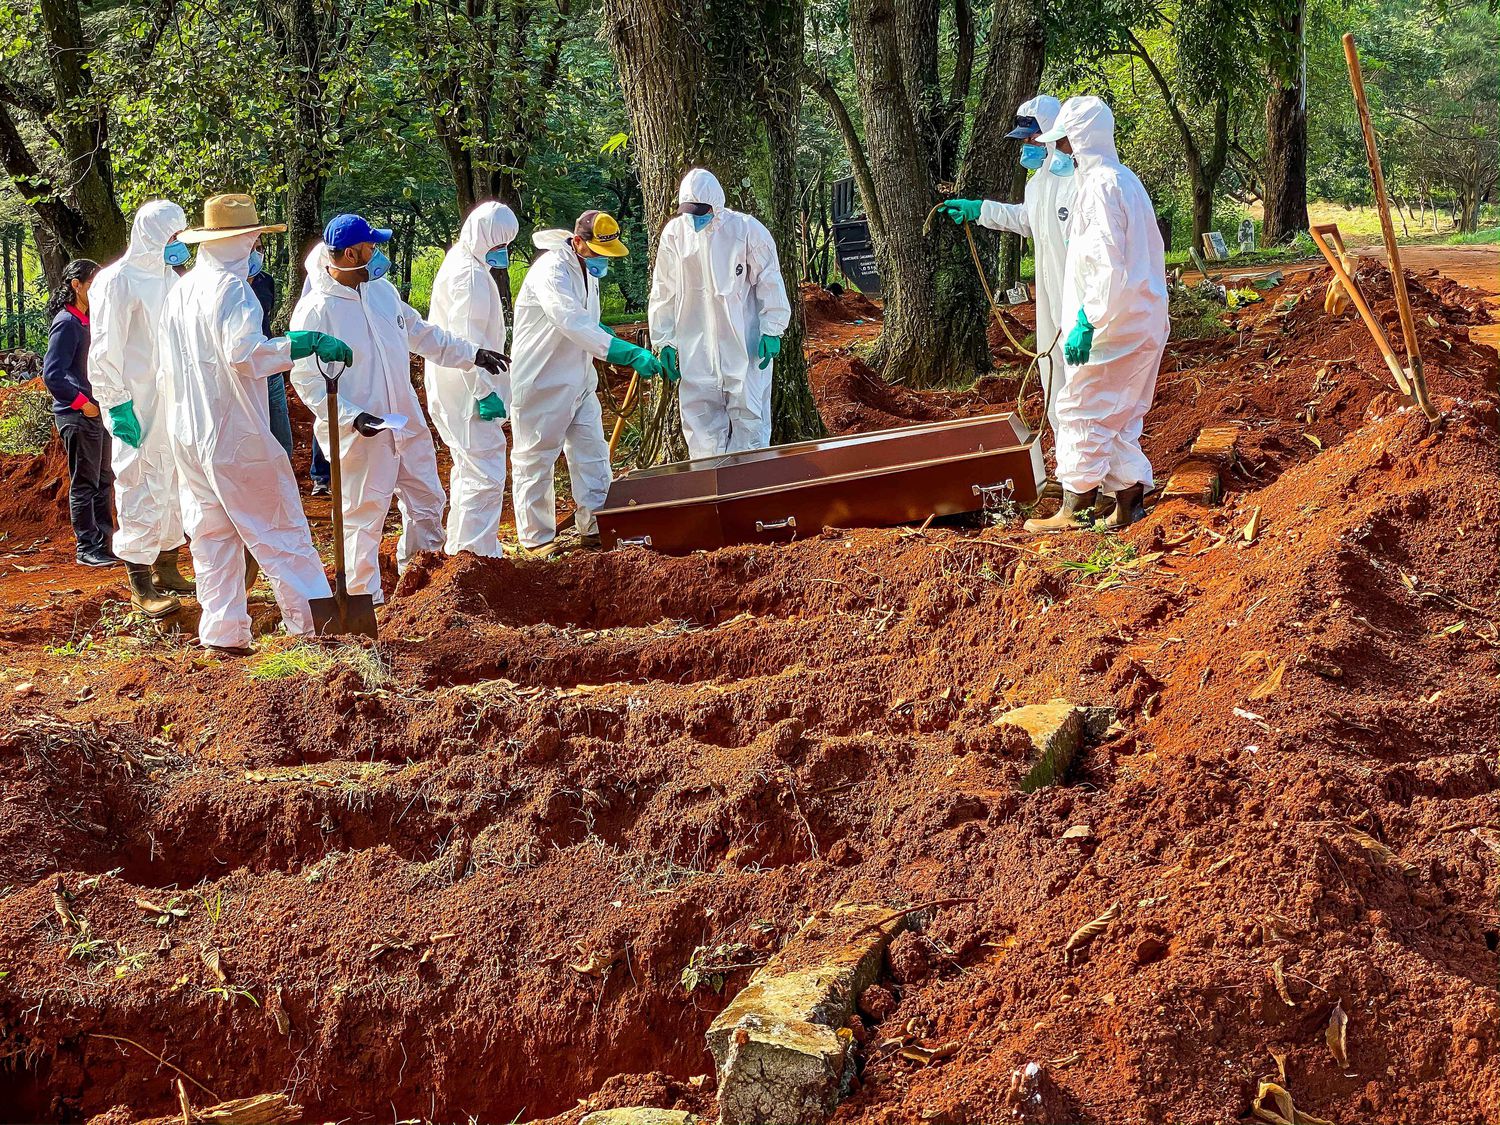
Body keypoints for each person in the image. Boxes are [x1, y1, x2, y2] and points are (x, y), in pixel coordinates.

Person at [157, 193, 349, 655]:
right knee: (278, 528)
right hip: (233, 433)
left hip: (188, 433)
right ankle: (318, 629)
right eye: (256, 237)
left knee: (212, 537)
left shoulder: (181, 289)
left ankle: (223, 634)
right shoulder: (231, 289)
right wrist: (299, 344)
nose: (258, 245)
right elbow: (244, 354)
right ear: (241, 240)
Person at [290, 213, 507, 602]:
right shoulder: (316, 310)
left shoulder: (381, 291)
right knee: (363, 517)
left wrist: (472, 354)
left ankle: (420, 589)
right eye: (372, 247)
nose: (377, 254)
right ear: (352, 252)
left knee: (426, 500)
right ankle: (364, 605)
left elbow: (421, 333)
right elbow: (306, 381)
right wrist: (353, 416)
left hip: (403, 419)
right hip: (360, 433)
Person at [1024, 96, 1168, 533]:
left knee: (1079, 410)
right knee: (1119, 417)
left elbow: (1105, 264)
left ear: (1079, 141)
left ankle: (1076, 507)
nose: (1059, 153)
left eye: (1063, 144)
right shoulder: (1124, 180)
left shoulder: (1101, 188)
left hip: (1114, 326)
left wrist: (1088, 319)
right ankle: (1128, 504)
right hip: (1138, 320)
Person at [510, 210, 661, 551]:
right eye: (596, 253)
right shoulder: (552, 271)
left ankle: (595, 527)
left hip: (579, 381)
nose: (601, 263)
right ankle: (538, 541)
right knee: (536, 460)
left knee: (592, 456)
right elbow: (571, 321)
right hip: (542, 383)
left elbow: (586, 321)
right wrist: (628, 353)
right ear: (577, 242)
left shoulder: (585, 269)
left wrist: (603, 331)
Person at [936, 95, 1077, 431]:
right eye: (1025, 141)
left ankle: (1102, 472)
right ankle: (1073, 471)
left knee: (1084, 382)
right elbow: (1026, 220)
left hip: (1078, 294)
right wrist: (980, 210)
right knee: (1052, 374)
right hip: (1048, 295)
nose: (1027, 147)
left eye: (1032, 139)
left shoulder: (1078, 180)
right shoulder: (1038, 183)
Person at [88, 200, 194, 617]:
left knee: (172, 484)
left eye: (179, 237)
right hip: (138, 402)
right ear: (149, 234)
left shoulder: (174, 279)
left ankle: (168, 566)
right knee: (138, 484)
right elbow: (103, 350)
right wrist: (116, 404)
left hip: (173, 401)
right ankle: (140, 582)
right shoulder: (117, 281)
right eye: (170, 237)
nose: (176, 245)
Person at [648, 168, 791, 458]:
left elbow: (769, 279)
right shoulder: (675, 235)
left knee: (750, 423)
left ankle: (748, 498)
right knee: (702, 430)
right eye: (690, 212)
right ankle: (712, 498)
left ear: (717, 205)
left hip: (744, 346)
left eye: (702, 212)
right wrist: (664, 340)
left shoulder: (745, 230)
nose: (696, 218)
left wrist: (772, 328)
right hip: (696, 349)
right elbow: (664, 289)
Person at [426, 201, 519, 556]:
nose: (503, 252)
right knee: (485, 472)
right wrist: (483, 391)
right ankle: (476, 556)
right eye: (499, 244)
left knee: (470, 470)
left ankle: (463, 553)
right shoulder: (469, 275)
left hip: (456, 386)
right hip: (466, 391)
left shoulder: (465, 262)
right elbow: (467, 342)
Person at [42, 259, 117, 567]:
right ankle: (86, 547)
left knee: (103, 479)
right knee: (85, 482)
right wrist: (81, 403)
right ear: (76, 285)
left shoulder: (87, 320)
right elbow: (53, 373)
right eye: (91, 284)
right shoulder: (66, 322)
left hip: (95, 412)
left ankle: (104, 544)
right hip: (78, 414)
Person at [247, 248, 294, 460]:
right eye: (250, 248)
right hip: (244, 377)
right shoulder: (226, 288)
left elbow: (267, 318)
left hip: (271, 371)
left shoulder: (266, 281)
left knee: (282, 439)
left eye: (259, 248)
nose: (255, 254)